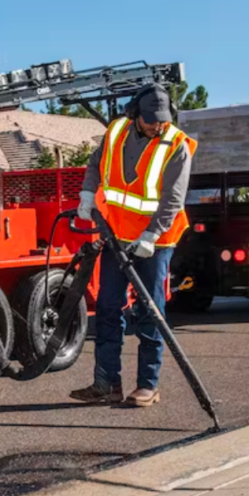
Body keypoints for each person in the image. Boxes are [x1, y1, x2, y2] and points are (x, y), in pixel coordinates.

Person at [70, 85, 197, 408]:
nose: (157, 126)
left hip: (155, 241)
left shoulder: (176, 145)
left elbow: (172, 200)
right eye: (151, 120)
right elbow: (96, 164)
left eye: (162, 120)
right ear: (135, 114)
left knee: (149, 310)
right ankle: (106, 383)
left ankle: (148, 386)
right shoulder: (116, 132)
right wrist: (88, 193)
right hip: (117, 235)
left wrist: (151, 236)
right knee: (109, 307)